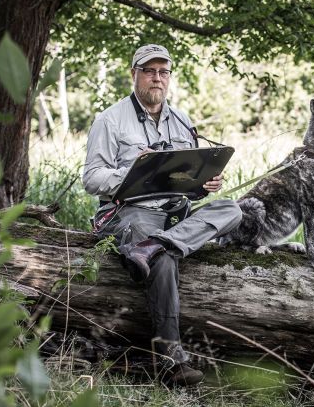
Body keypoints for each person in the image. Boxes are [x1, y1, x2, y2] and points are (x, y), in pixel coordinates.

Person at [82, 44, 242, 386]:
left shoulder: (182, 120)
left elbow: (188, 181)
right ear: (135, 74)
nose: (157, 78)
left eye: (163, 72)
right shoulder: (109, 120)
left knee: (232, 209)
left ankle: (153, 245)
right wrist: (135, 171)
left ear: (169, 77)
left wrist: (205, 183)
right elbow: (91, 178)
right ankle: (172, 360)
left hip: (175, 213)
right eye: (150, 71)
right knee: (164, 261)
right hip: (130, 214)